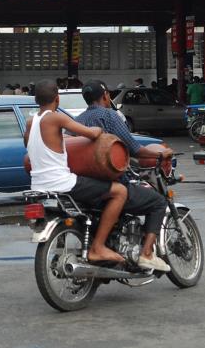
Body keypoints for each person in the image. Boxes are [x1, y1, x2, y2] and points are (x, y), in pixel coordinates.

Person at [24, 79, 127, 263]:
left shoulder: (31, 122)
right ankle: (98, 247)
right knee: (120, 191)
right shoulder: (56, 118)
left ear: (36, 100)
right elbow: (91, 134)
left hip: (38, 186)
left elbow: (31, 145)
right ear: (57, 99)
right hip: (62, 183)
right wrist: (98, 129)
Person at [76, 80, 171, 272]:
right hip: (112, 183)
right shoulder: (109, 116)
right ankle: (146, 254)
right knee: (159, 202)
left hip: (87, 186)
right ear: (105, 96)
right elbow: (135, 149)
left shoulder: (77, 120)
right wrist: (160, 155)